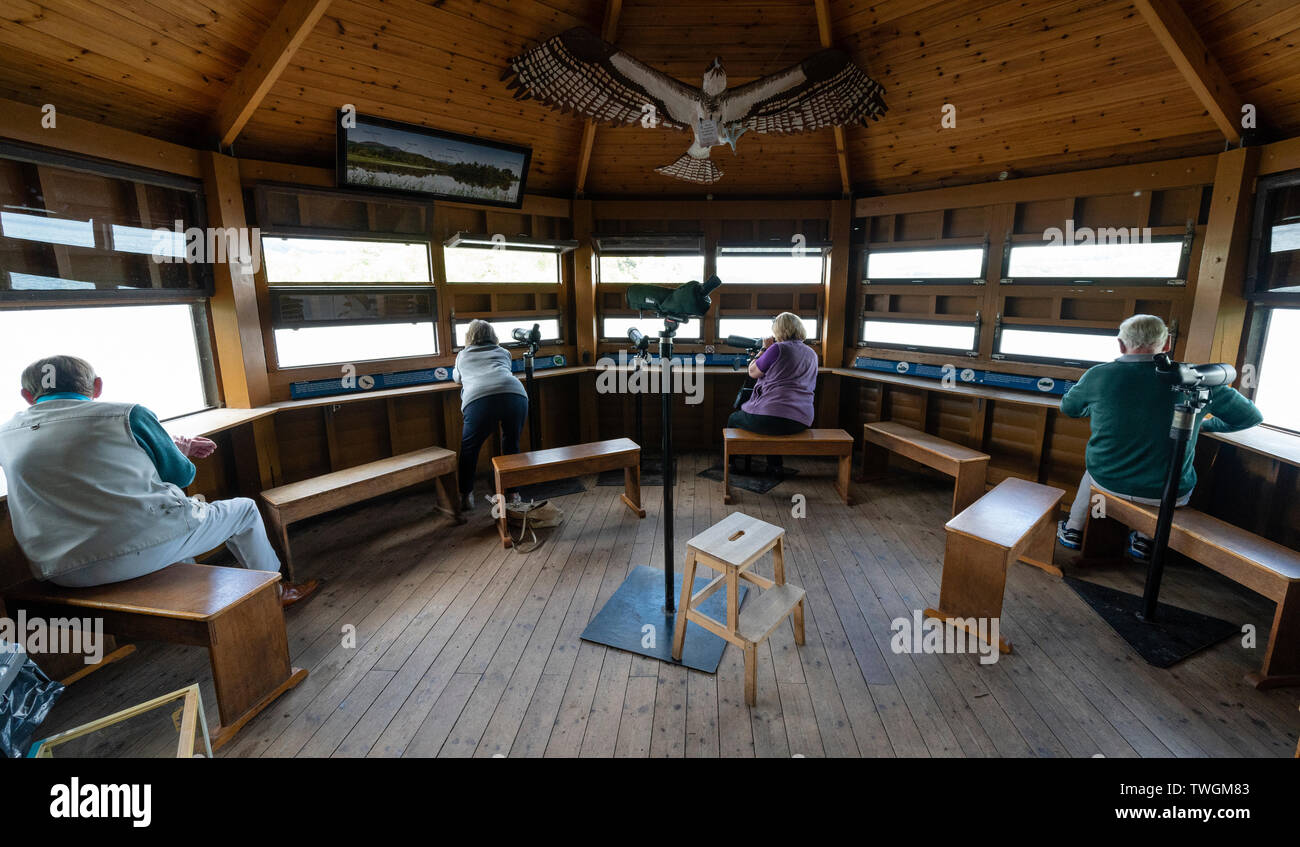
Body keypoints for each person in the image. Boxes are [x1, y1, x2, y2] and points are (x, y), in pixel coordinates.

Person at [0, 355, 317, 606]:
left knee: (171, 527)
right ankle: (278, 591)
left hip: (59, 570)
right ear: (96, 387)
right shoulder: (127, 415)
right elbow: (181, 475)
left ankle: (203, 597)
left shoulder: (5, 435)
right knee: (244, 509)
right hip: (140, 551)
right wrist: (176, 449)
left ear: (27, 396)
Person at [1056, 315, 1262, 562]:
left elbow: (1069, 408)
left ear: (1121, 345)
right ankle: (1145, 539)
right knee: (1166, 482)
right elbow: (1250, 417)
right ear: (1167, 345)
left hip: (1108, 482)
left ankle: (1075, 529)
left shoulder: (1099, 375)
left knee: (1093, 475)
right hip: (1168, 491)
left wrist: (1097, 410)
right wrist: (1202, 425)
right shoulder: (1196, 379)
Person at [725, 312, 819, 476]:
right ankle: (775, 466)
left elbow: (753, 372)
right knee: (773, 421)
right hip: (801, 420)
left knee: (735, 418)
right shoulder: (812, 353)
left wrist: (763, 348)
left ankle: (730, 463)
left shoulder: (777, 348)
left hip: (771, 418)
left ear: (778, 330)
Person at [452, 319, 529, 510]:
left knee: (470, 448)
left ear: (469, 336)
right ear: (493, 335)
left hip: (480, 399)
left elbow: (457, 378)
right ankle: (514, 495)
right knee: (512, 443)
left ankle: (466, 496)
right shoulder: (504, 352)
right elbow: (503, 370)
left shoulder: (462, 355)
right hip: (515, 394)